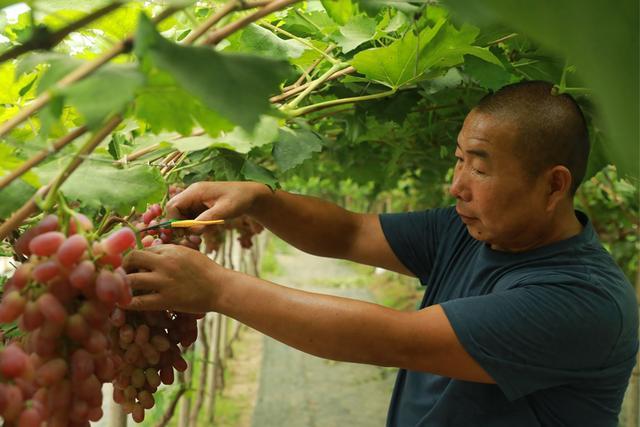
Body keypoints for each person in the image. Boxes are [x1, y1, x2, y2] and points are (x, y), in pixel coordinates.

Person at [123, 81, 638, 426]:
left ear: (553, 186)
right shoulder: (470, 230)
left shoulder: (584, 303)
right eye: (458, 160)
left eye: (479, 167)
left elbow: (397, 340)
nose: (456, 185)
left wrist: (219, 288)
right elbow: (349, 233)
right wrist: (260, 200)